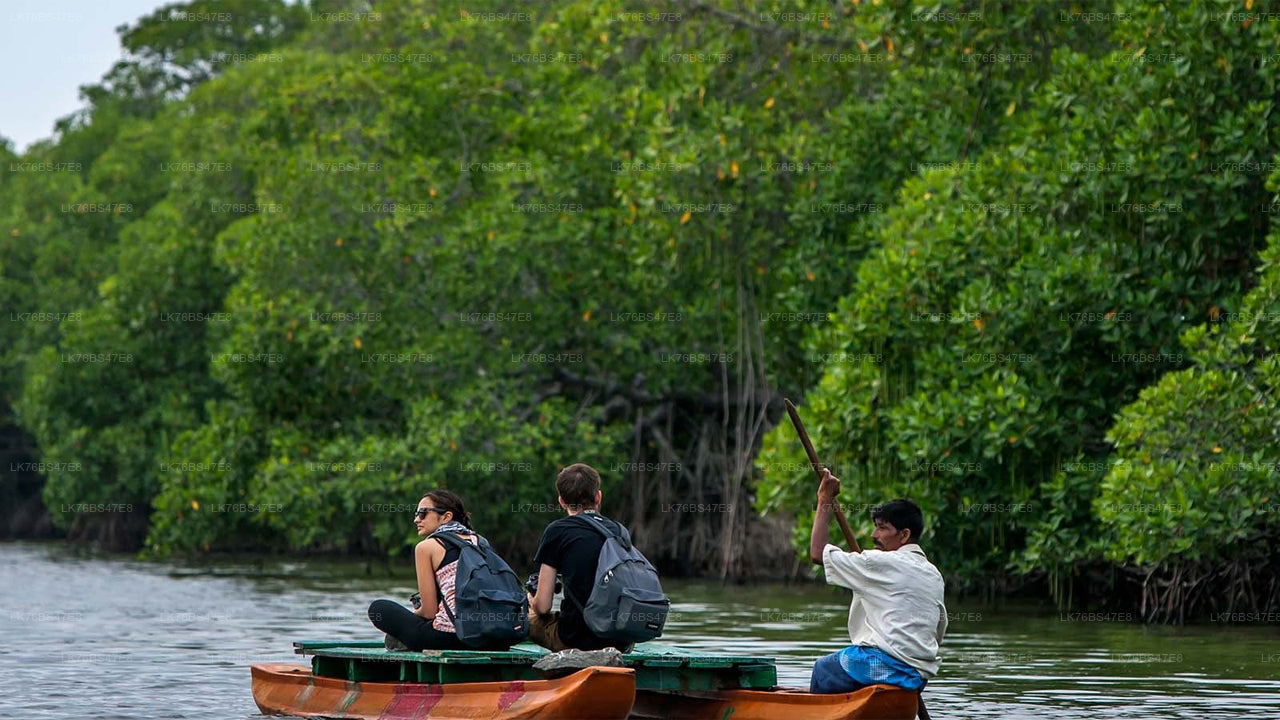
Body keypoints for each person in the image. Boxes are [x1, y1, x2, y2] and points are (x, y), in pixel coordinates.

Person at [807, 467, 946, 710]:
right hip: (918, 675)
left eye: (882, 528)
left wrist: (824, 500)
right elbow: (938, 628)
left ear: (904, 535)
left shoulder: (883, 562)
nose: (874, 535)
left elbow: (817, 553)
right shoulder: (933, 573)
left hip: (888, 666)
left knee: (823, 669)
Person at [367, 490, 514, 651]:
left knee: (378, 608)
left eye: (423, 513)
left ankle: (405, 641)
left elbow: (429, 612)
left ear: (446, 517)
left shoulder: (426, 547)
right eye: (417, 514)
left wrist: (413, 615)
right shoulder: (480, 541)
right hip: (499, 637)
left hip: (455, 638)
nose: (417, 519)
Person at [526, 462, 636, 653]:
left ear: (561, 501)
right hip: (621, 639)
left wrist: (531, 599)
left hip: (575, 639)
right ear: (598, 496)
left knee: (528, 617)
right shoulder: (619, 531)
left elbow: (543, 607)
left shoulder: (556, 531)